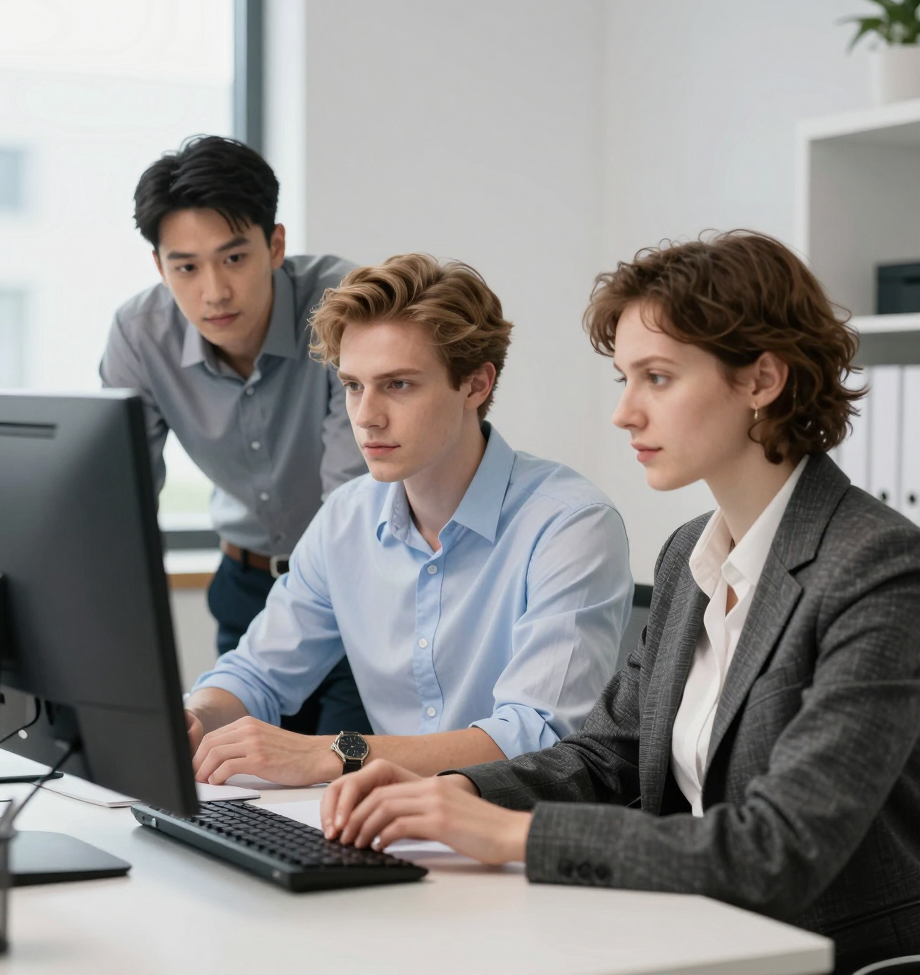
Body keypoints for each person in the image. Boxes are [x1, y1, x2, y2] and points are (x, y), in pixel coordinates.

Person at [322, 231, 920, 975]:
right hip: (683, 934)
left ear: (762, 380)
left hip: (823, 954)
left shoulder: (877, 567)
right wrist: (446, 791)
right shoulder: (689, 554)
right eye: (623, 380)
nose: (625, 414)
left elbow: (782, 847)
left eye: (658, 378)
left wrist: (510, 837)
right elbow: (608, 757)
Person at [184, 252, 633, 787]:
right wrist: (195, 718)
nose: (366, 416)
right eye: (353, 385)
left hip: (515, 835)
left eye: (398, 385)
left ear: (475, 385)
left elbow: (537, 734)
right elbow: (258, 673)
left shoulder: (570, 525)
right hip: (390, 824)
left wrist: (334, 753)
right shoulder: (345, 520)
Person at [100, 135, 370, 736]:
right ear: (159, 267)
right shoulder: (141, 335)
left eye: (234, 258)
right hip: (245, 588)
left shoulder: (344, 304)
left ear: (274, 245)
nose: (214, 291)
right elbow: (119, 501)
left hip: (362, 586)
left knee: (343, 794)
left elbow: (353, 500)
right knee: (235, 789)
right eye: (186, 267)